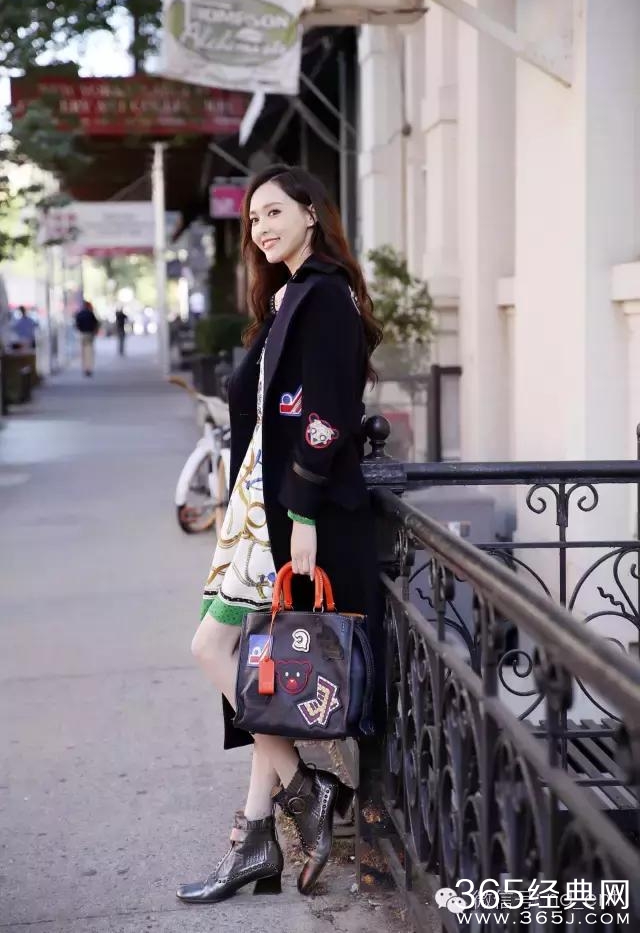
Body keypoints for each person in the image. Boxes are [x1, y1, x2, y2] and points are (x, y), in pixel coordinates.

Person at [176, 165, 384, 905]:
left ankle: (304, 791)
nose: (261, 228)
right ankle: (256, 837)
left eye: (273, 212)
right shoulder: (293, 292)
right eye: (253, 218)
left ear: (310, 213)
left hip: (285, 510)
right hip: (257, 506)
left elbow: (328, 415)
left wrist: (302, 510)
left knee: (214, 648)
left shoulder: (324, 293)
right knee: (259, 667)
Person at [74, 300, 99, 377]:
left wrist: (80, 330)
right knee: (89, 351)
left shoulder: (79, 314)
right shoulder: (90, 313)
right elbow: (96, 323)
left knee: (83, 352)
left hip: (82, 334)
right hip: (89, 334)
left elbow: (76, 324)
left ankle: (85, 368)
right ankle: (89, 368)